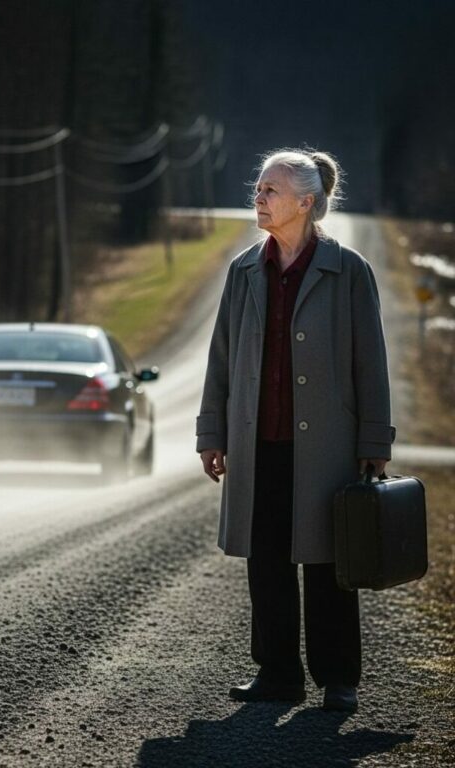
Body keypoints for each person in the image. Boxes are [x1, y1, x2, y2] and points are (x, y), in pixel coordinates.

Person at [195, 148, 394, 713]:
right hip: (256, 444)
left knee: (329, 564)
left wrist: (374, 443)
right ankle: (277, 673)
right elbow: (221, 360)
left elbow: (370, 362)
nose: (259, 199)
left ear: (306, 202)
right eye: (258, 189)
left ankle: (338, 680)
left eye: (271, 191)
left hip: (329, 446)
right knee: (267, 562)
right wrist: (212, 434)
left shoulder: (349, 270)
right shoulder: (242, 272)